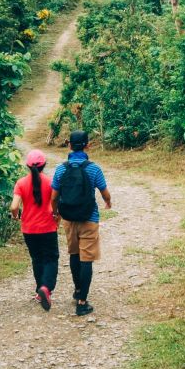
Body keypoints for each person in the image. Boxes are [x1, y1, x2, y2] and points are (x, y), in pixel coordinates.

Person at [51, 130, 111, 316]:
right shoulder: (94, 168)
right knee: (87, 259)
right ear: (87, 145)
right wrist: (108, 202)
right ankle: (82, 302)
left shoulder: (61, 169)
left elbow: (54, 197)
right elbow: (104, 192)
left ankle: (77, 290)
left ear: (69, 145)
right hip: (89, 219)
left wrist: (56, 213)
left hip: (69, 219)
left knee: (74, 254)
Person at [10, 149, 59, 311]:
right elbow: (56, 203)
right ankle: (46, 287)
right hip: (48, 227)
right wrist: (57, 217)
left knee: (37, 259)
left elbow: (14, 206)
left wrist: (16, 216)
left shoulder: (21, 183)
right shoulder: (51, 182)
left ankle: (40, 291)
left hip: (29, 229)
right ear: (44, 165)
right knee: (51, 258)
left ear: (27, 166)